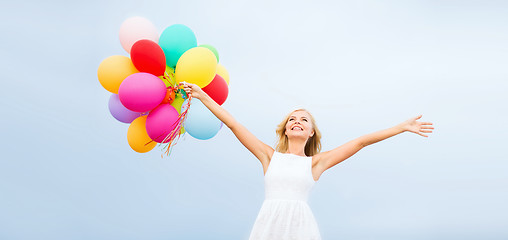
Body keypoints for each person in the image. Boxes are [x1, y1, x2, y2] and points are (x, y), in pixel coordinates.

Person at [182, 83, 434, 240]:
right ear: (285, 129)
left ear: (311, 132)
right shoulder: (269, 156)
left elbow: (360, 142)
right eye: (292, 119)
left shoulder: (315, 164)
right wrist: (204, 97)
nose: (297, 122)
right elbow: (233, 124)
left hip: (300, 227)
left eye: (304, 120)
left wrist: (400, 128)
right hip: (268, 224)